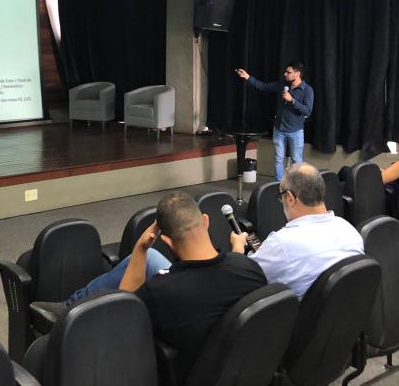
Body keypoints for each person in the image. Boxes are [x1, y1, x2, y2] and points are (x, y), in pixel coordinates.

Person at [34, 192, 267, 382]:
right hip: (238, 369)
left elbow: (120, 312)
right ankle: (69, 306)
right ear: (206, 221)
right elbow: (231, 270)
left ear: (166, 240)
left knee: (148, 258)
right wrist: (237, 251)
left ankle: (69, 311)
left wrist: (140, 249)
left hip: (187, 373)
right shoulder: (249, 270)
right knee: (153, 259)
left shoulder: (160, 292)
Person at [231, 162, 363, 299]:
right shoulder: (350, 231)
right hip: (346, 310)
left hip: (297, 312)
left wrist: (237, 251)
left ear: (290, 198)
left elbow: (239, 280)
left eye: (281, 196)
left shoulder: (282, 244)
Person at [235, 62, 314, 180]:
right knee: (278, 158)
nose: (285, 74)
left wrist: (292, 100)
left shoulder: (307, 90)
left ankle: (296, 187)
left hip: (295, 131)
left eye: (288, 72)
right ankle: (279, 185)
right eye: (285, 71)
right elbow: (263, 86)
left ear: (297, 74)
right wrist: (247, 77)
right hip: (279, 129)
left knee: (297, 160)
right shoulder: (283, 85)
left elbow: (307, 111)